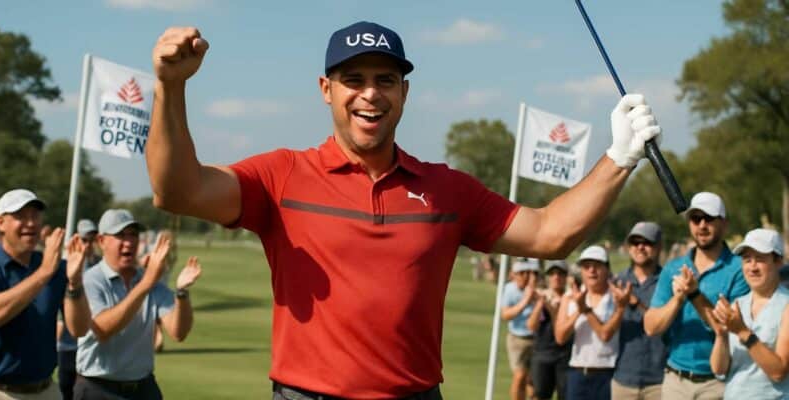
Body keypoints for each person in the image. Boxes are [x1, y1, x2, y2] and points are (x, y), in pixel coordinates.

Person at [147, 21, 662, 399]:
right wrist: (171, 88)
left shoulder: (446, 189)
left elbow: (550, 234)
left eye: (385, 80)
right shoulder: (282, 175)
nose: (370, 94)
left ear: (404, 93)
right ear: (326, 90)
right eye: (354, 79)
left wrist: (619, 158)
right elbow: (178, 191)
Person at [73, 210, 201, 400]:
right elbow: (102, 329)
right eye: (120, 235)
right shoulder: (92, 280)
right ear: (101, 241)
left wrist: (181, 293)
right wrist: (147, 283)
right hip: (97, 388)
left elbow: (178, 332)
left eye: (133, 234)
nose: (129, 242)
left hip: (143, 388)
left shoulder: (148, 280)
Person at [643, 192, 749, 399]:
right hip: (675, 380)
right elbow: (650, 326)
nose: (701, 225)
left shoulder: (740, 270)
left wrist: (694, 294)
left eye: (709, 218)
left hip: (718, 382)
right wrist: (678, 299)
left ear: (725, 224)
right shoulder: (673, 268)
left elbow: (730, 326)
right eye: (695, 218)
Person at [0, 189, 91, 399]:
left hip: (46, 390)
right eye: (20, 216)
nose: (30, 223)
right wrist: (45, 272)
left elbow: (79, 328)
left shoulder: (55, 267)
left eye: (35, 215)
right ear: (0, 223)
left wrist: (75, 282)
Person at [710, 228, 789, 399]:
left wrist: (743, 332)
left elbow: (779, 372)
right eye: (747, 259)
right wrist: (721, 335)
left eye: (760, 259)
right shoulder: (737, 305)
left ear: (778, 262)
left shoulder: (786, 306)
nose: (752, 267)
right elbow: (719, 369)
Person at [555, 245, 630, 400]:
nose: (591, 271)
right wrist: (578, 310)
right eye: (586, 266)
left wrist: (585, 309)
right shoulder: (570, 296)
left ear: (607, 269)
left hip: (607, 374)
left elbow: (606, 334)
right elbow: (560, 337)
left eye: (597, 266)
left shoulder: (617, 297)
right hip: (577, 372)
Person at [611, 222, 668, 400]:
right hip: (623, 379)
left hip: (659, 381)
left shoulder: (668, 281)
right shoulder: (616, 282)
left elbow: (668, 324)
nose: (640, 247)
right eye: (635, 242)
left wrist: (636, 304)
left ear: (659, 247)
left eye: (647, 242)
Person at [56, 218, 102, 400]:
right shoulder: (66, 265)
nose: (88, 244)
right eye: (85, 240)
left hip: (93, 340)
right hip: (69, 341)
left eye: (92, 240)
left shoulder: (101, 264)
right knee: (66, 387)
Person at [528, 260, 570, 400]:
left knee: (565, 395)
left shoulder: (571, 298)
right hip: (542, 353)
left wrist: (550, 306)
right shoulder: (542, 296)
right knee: (539, 395)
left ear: (566, 277)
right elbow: (532, 326)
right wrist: (541, 303)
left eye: (560, 273)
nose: (556, 277)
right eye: (552, 274)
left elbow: (560, 324)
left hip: (565, 355)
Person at [502, 258, 541, 400]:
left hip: (538, 339)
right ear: (514, 274)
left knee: (534, 381)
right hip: (518, 339)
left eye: (528, 273)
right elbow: (506, 315)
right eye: (521, 273)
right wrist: (525, 300)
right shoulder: (510, 289)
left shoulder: (539, 289)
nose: (524, 276)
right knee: (519, 376)